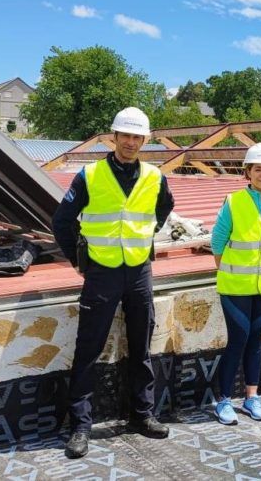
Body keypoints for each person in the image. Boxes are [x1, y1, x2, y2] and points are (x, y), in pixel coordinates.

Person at [53, 107, 174, 458]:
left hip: (138, 272)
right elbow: (61, 222)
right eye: (126, 136)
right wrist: (79, 261)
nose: (131, 143)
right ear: (114, 137)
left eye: (138, 137)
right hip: (101, 273)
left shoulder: (154, 176)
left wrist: (145, 234)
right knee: (88, 350)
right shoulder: (90, 175)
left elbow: (164, 209)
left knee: (141, 348)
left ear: (145, 141)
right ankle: (80, 427)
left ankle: (142, 415)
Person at [211, 143, 261, 425]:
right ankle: (222, 401)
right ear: (248, 171)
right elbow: (217, 242)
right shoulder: (234, 201)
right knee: (239, 339)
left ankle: (251, 398)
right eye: (258, 169)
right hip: (235, 287)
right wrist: (228, 270)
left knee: (255, 342)